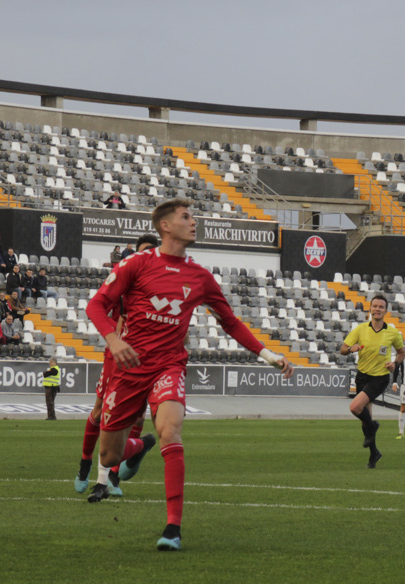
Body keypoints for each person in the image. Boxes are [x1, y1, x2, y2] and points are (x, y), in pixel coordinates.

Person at [84, 199, 293, 551]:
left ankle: (172, 528)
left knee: (170, 430)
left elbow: (230, 322)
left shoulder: (200, 277)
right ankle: (137, 447)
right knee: (108, 457)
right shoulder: (136, 264)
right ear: (165, 226)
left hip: (170, 365)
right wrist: (114, 339)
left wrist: (266, 353)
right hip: (130, 368)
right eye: (186, 217)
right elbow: (96, 305)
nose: (194, 222)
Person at [73, 234, 158, 497]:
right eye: (142, 252)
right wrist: (115, 337)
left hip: (146, 358)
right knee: (101, 412)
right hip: (116, 355)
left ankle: (112, 477)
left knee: (135, 416)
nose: (146, 257)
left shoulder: (161, 285)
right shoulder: (122, 279)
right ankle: (85, 463)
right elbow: (99, 308)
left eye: (151, 252)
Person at [339, 294, 405, 469]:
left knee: (354, 407)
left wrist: (394, 363)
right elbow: (343, 350)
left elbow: (401, 353)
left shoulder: (392, 332)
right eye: (374, 306)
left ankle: (373, 425)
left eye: (381, 307)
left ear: (386, 311)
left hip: (379, 378)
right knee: (364, 420)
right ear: (370, 308)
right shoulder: (360, 329)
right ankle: (374, 453)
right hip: (362, 376)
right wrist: (350, 349)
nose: (377, 309)